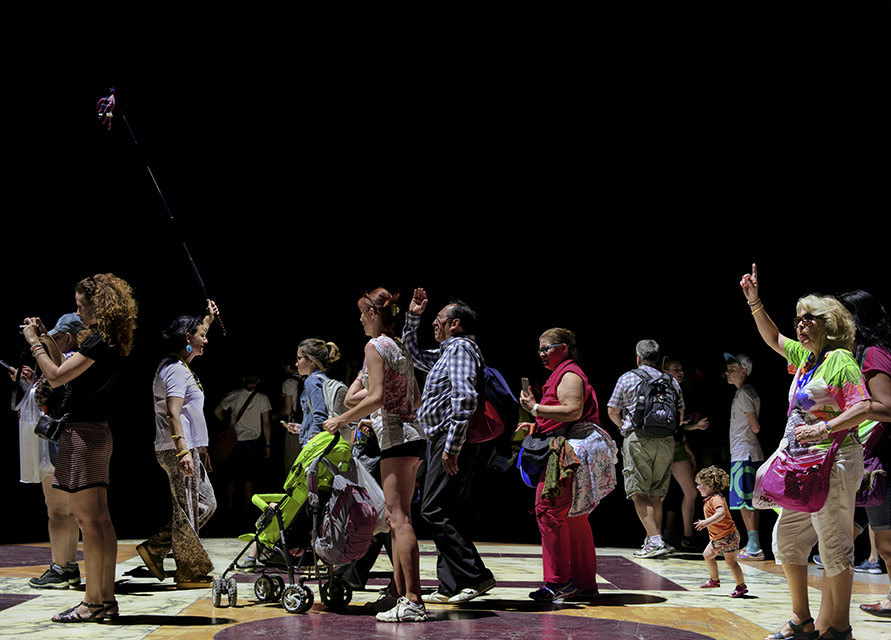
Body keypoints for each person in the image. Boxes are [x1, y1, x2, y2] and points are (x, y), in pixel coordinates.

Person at [741, 264, 870, 640]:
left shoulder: (840, 360)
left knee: (833, 543)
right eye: (798, 318)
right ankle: (801, 620)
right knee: (787, 539)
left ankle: (840, 629)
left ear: (829, 324)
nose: (800, 324)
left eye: (808, 318)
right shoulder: (807, 359)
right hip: (801, 465)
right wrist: (755, 302)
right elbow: (773, 338)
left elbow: (863, 406)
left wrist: (823, 428)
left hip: (834, 461)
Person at [22, 273, 137, 622]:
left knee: (89, 521)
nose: (78, 312)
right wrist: (47, 337)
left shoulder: (98, 340)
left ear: (97, 305)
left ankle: (92, 603)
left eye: (80, 306)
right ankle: (104, 600)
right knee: (100, 520)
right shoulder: (108, 340)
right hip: (96, 432)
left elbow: (56, 377)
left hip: (83, 435)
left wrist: (34, 343)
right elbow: (67, 370)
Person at [322, 288, 428, 623]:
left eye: (361, 313)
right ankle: (398, 593)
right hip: (413, 438)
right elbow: (415, 398)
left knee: (399, 520)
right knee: (399, 520)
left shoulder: (374, 346)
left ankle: (413, 599)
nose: (359, 320)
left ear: (371, 313)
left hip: (396, 440)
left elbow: (377, 396)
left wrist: (341, 419)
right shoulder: (398, 346)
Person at [401, 288, 497, 604]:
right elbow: (412, 355)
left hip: (451, 438)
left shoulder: (460, 349)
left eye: (439, 319)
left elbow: (465, 398)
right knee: (448, 509)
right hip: (442, 438)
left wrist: (452, 446)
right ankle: (451, 584)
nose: (434, 323)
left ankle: (476, 576)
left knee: (433, 508)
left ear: (455, 324)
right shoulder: (448, 352)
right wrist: (413, 317)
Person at [517, 328, 617, 602]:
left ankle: (559, 582)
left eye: (546, 348)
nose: (541, 354)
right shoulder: (562, 373)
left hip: (568, 453)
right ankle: (584, 585)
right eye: (539, 349)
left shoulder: (570, 374)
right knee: (574, 518)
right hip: (568, 446)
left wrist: (535, 408)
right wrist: (536, 424)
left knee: (548, 510)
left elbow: (573, 410)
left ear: (564, 348)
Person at [137, 301, 219, 589]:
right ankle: (188, 571)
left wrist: (208, 319)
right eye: (201, 336)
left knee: (205, 505)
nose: (206, 340)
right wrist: (183, 451)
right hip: (177, 449)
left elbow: (195, 336)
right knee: (187, 510)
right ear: (187, 338)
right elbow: (172, 412)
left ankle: (156, 547)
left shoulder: (181, 366)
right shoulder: (175, 369)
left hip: (189, 447)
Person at [13, 313, 84, 589]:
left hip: (55, 442)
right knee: (67, 511)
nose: (49, 344)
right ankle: (68, 566)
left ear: (68, 338)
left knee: (56, 510)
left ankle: (59, 568)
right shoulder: (77, 361)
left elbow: (46, 391)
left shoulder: (68, 361)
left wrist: (36, 345)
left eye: (54, 338)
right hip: (67, 440)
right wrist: (30, 380)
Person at [835, 290, 891, 618]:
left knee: (886, 545)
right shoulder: (860, 355)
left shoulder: (872, 355)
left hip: (881, 460)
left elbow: (887, 408)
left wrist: (851, 412)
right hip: (866, 460)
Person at [607, 339, 685, 558]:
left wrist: (623, 428)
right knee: (656, 494)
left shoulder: (628, 377)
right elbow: (680, 415)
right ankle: (653, 541)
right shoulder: (671, 380)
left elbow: (612, 410)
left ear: (638, 358)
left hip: (638, 439)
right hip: (666, 440)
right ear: (658, 359)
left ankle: (655, 540)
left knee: (637, 492)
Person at [213, 369, 272, 525]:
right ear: (259, 380)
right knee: (248, 479)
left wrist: (227, 425)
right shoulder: (262, 398)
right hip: (251, 442)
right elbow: (266, 423)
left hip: (234, 442)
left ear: (243, 378)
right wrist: (268, 444)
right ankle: (246, 513)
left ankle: (230, 510)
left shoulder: (235, 394)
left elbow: (217, 411)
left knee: (231, 478)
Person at [662, 358, 708, 551]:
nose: (680, 372)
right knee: (659, 495)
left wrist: (693, 429)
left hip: (678, 447)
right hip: (663, 447)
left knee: (690, 492)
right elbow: (670, 424)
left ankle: (687, 536)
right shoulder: (662, 392)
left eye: (681, 369)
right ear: (665, 372)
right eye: (675, 369)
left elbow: (678, 427)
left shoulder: (678, 391)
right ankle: (655, 538)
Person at [723, 352, 765, 560]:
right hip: (744, 453)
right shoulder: (744, 392)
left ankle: (754, 546)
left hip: (745, 454)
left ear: (744, 371)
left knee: (746, 501)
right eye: (727, 369)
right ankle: (753, 544)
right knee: (747, 500)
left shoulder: (744, 393)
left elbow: (755, 427)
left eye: (732, 369)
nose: (727, 372)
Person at [693, 465, 748, 598]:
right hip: (718, 537)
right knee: (707, 555)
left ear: (710, 484)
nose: (697, 487)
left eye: (700, 484)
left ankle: (741, 586)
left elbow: (721, 513)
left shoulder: (716, 499)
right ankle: (714, 580)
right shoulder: (710, 499)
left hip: (727, 536)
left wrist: (706, 522)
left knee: (731, 562)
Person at [286, 338, 342, 447]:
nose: (296, 364)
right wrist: (303, 428)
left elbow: (320, 415)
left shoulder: (311, 381)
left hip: (316, 444)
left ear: (311, 360)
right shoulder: (323, 379)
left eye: (299, 358)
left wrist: (312, 442)